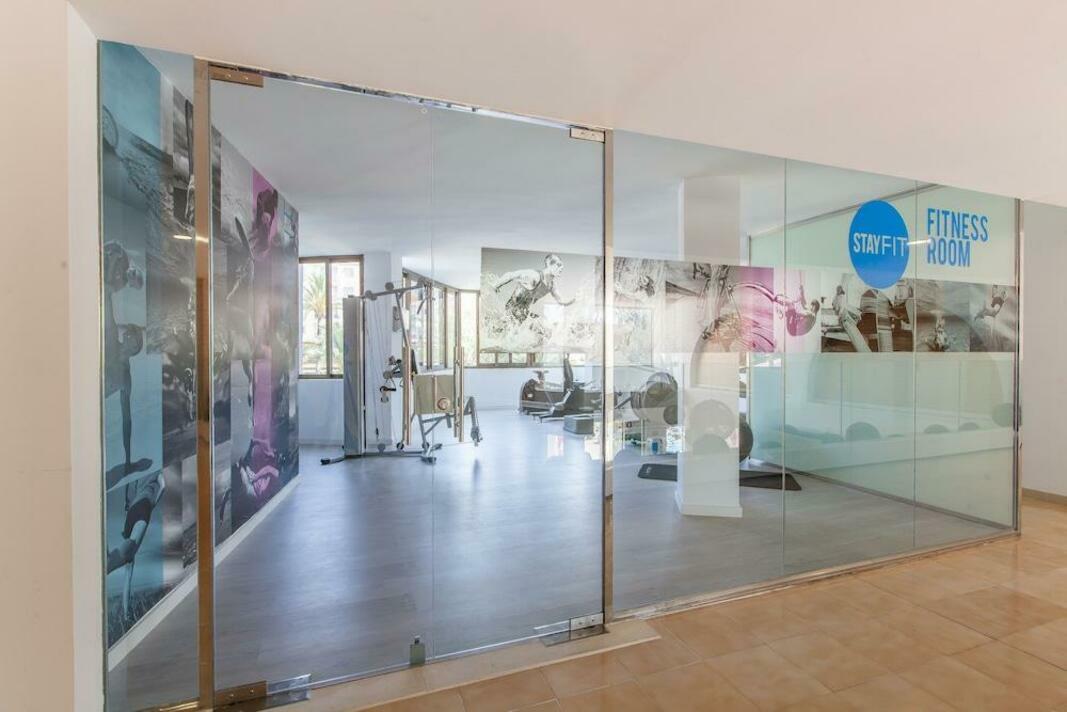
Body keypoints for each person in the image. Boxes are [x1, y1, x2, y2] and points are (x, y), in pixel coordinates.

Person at [103, 241, 149, 481]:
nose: (129, 338)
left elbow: (127, 420)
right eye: (130, 336)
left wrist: (129, 460)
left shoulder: (124, 373)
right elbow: (107, 291)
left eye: (132, 339)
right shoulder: (111, 340)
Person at [492, 253, 575, 324]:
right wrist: (496, 286)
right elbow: (510, 275)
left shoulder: (551, 285)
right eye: (558, 265)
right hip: (511, 311)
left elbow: (561, 301)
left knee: (545, 328)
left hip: (523, 313)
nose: (562, 267)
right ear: (549, 265)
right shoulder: (534, 276)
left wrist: (576, 299)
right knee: (541, 326)